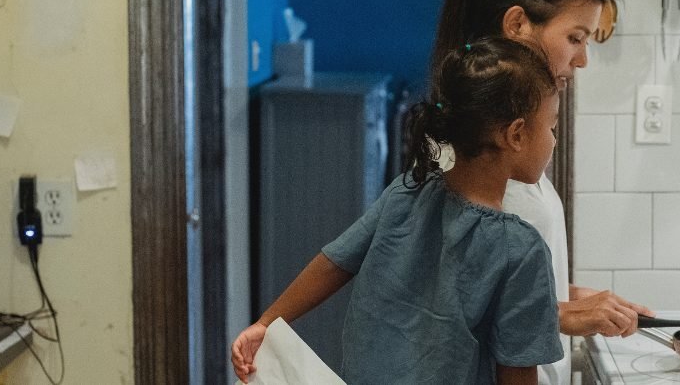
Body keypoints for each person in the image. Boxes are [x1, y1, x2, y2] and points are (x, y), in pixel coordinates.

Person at [232, 38, 566, 384]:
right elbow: (517, 374)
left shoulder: (409, 190)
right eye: (551, 126)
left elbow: (333, 262)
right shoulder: (520, 251)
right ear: (515, 135)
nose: (553, 140)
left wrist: (266, 323)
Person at [432, 0, 655, 383]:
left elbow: (491, 281)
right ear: (517, 24)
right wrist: (563, 313)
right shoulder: (479, 161)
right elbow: (448, 306)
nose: (583, 59)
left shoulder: (516, 146)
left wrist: (565, 295)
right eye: (575, 38)